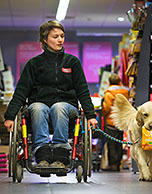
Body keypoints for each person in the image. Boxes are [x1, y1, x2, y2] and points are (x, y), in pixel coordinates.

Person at [4, 20, 98, 168]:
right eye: (55, 37)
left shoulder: (72, 62)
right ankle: (42, 154)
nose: (60, 39)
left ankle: (61, 152)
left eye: (62, 36)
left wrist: (91, 115)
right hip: (39, 106)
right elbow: (21, 92)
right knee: (37, 108)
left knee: (58, 107)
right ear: (44, 40)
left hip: (67, 108)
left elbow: (82, 90)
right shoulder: (34, 64)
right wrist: (10, 116)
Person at [102, 73, 129, 171]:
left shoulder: (109, 93)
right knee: (119, 143)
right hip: (121, 120)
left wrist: (103, 113)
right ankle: (118, 163)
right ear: (119, 81)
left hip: (111, 121)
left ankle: (113, 164)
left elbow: (107, 108)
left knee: (111, 144)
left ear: (109, 82)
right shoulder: (126, 92)